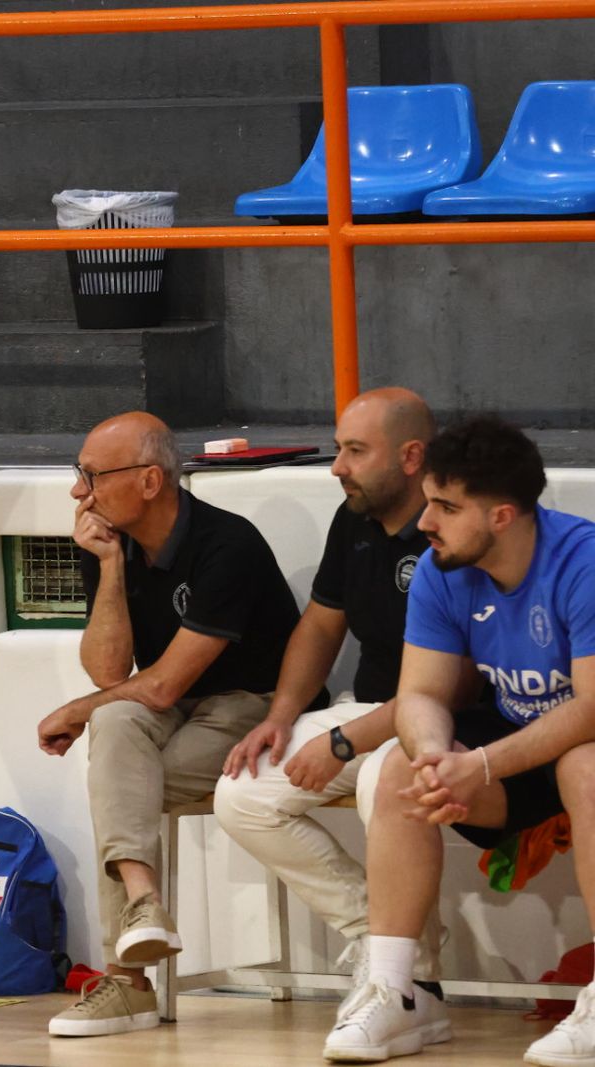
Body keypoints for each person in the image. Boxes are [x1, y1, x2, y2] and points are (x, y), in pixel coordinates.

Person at [323, 417, 595, 1065]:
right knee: (398, 767)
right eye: (429, 501)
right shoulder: (444, 568)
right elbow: (418, 695)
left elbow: (591, 709)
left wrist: (479, 763)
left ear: (502, 516)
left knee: (586, 766)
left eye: (446, 506)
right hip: (522, 744)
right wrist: (438, 757)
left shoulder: (582, 561)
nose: (426, 521)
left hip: (580, 739)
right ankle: (400, 990)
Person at [40, 411, 302, 1038]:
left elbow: (164, 681)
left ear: (151, 481)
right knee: (117, 724)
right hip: (175, 712)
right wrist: (107, 568)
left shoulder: (226, 545)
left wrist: (70, 713)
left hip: (254, 707)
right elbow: (110, 673)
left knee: (116, 772)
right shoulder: (111, 541)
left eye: (92, 475)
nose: (80, 491)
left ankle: (127, 982)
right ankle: (144, 905)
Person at [214, 387, 447, 1032]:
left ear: (410, 457)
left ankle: (404, 980)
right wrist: (282, 715)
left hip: (437, 721)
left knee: (383, 779)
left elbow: (446, 687)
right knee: (242, 790)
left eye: (353, 450)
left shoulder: (451, 525)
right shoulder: (355, 517)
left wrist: (345, 742)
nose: (336, 466)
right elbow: (320, 627)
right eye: (339, 448)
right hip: (365, 707)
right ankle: (383, 941)